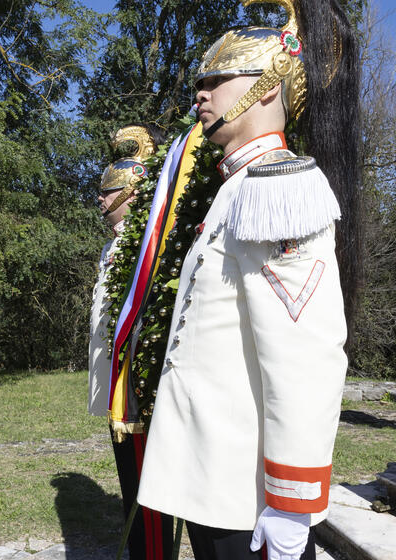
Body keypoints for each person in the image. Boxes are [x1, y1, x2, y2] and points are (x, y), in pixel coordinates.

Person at [136, 1, 360, 559]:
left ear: (265, 88)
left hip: (250, 497)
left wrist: (291, 504)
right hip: (216, 483)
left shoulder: (276, 188)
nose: (200, 94)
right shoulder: (236, 189)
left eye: (217, 79)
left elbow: (305, 357)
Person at [88, 125, 174, 560]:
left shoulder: (147, 245)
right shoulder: (115, 247)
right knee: (130, 487)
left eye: (108, 193)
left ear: (128, 195)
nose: (101, 200)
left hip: (138, 390)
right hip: (116, 387)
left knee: (148, 495)